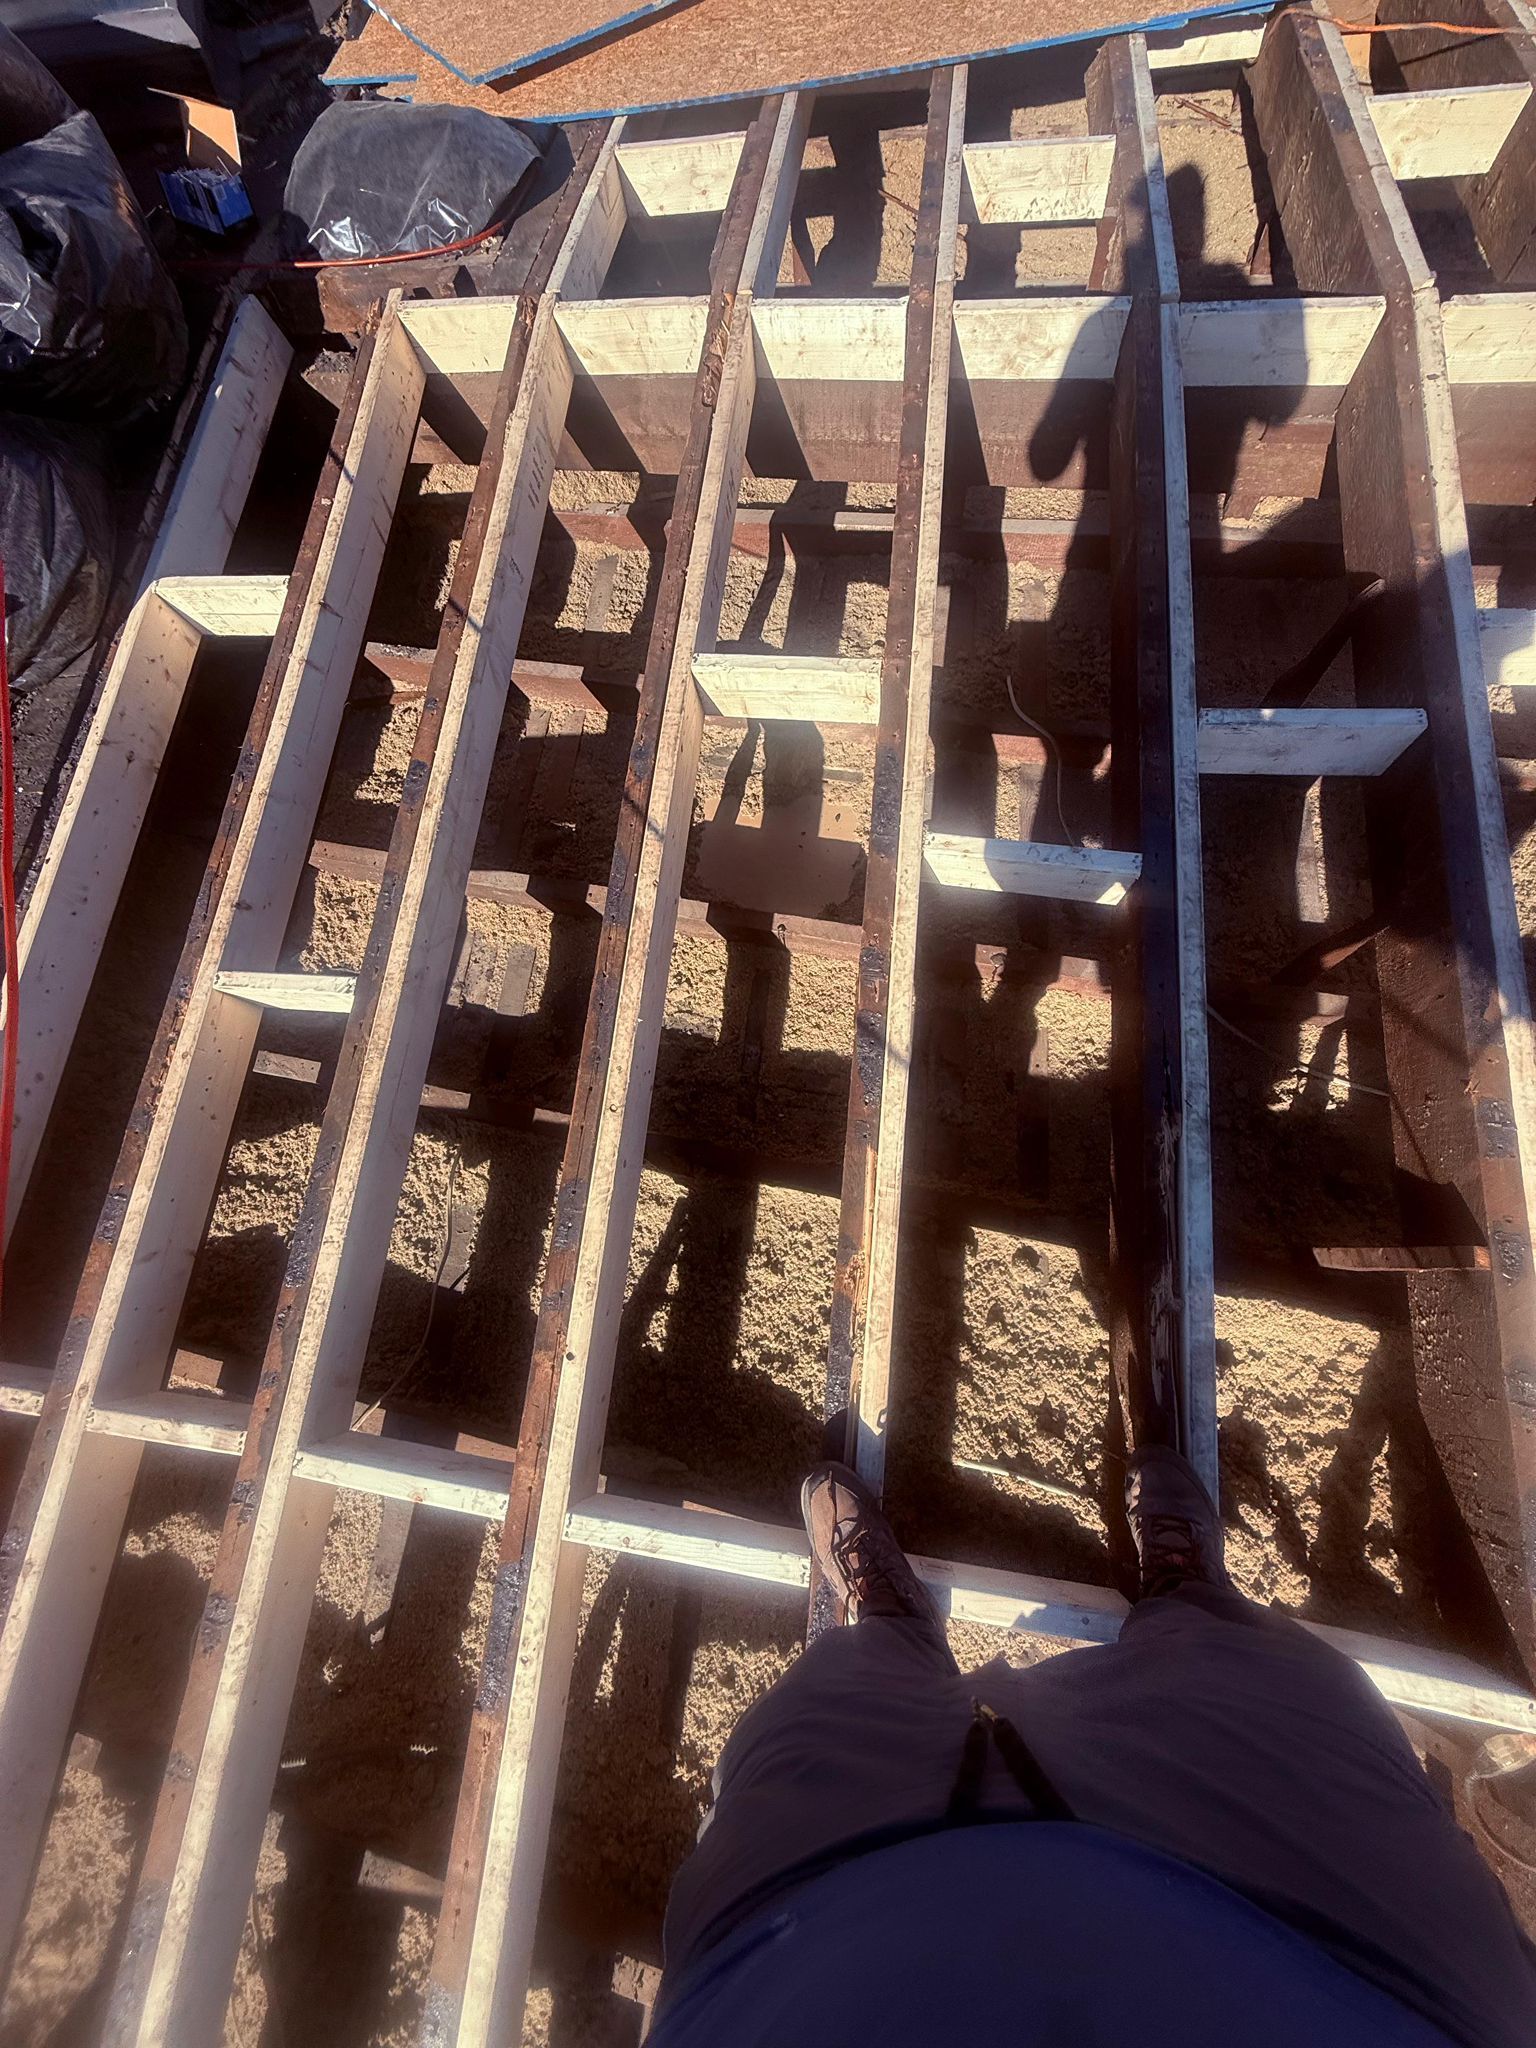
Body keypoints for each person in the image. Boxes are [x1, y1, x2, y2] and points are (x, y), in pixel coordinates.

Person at [650, 1449, 1536, 2048]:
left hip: (805, 1942)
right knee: (1279, 1689)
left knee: (820, 1720)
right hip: (1337, 1944)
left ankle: (885, 1632)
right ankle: (1189, 1604)